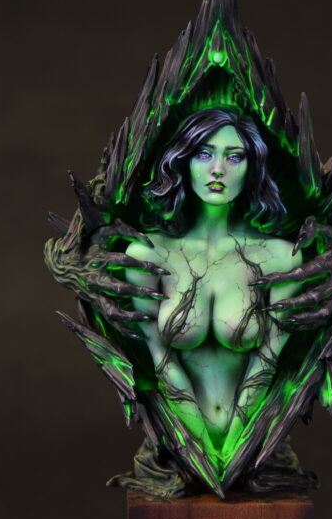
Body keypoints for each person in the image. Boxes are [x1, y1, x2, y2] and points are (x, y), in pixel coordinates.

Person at [124, 107, 303, 463]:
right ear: (183, 162)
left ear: (252, 168)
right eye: (204, 154)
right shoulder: (148, 254)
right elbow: (159, 359)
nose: (218, 169)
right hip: (179, 442)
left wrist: (234, 449)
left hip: (252, 443)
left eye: (234, 157)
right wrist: (199, 451)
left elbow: (267, 362)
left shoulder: (280, 258)